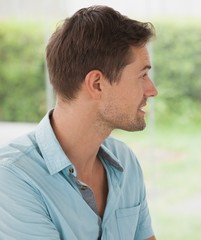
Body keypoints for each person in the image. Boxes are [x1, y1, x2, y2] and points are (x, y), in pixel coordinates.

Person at [0, 5, 158, 240]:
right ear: (97, 84)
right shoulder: (13, 179)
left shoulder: (126, 163)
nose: (152, 90)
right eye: (142, 75)